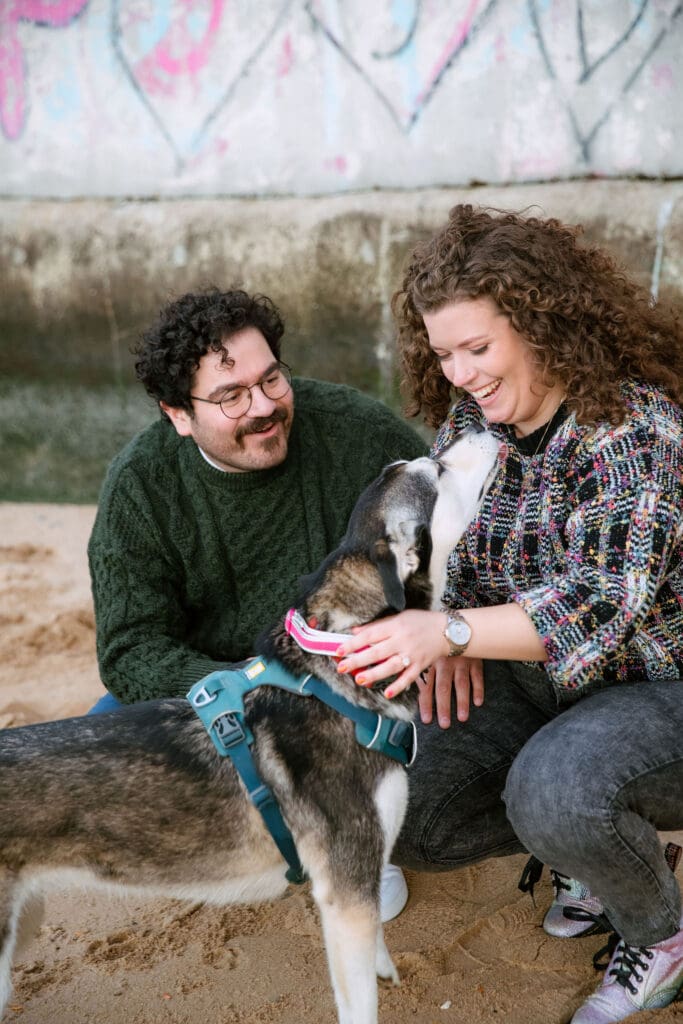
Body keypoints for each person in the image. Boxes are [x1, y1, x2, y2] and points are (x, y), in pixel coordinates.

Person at [335, 205, 683, 1023]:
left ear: (539, 324)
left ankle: (659, 932)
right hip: (537, 680)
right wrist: (451, 622)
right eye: (442, 353)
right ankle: (593, 850)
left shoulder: (633, 432)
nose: (459, 374)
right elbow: (452, 545)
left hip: (660, 687)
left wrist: (450, 632)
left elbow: (599, 605)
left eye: (477, 348)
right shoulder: (474, 420)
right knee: (396, 803)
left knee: (556, 792)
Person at [87, 287, 427, 923]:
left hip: (352, 682)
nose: (265, 406)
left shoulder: (355, 430)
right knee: (105, 748)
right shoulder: (141, 485)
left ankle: (360, 840)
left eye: (271, 378)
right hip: (224, 690)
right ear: (178, 414)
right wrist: (252, 694)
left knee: (427, 776)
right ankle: (256, 839)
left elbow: (445, 532)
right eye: (231, 396)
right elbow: (130, 648)